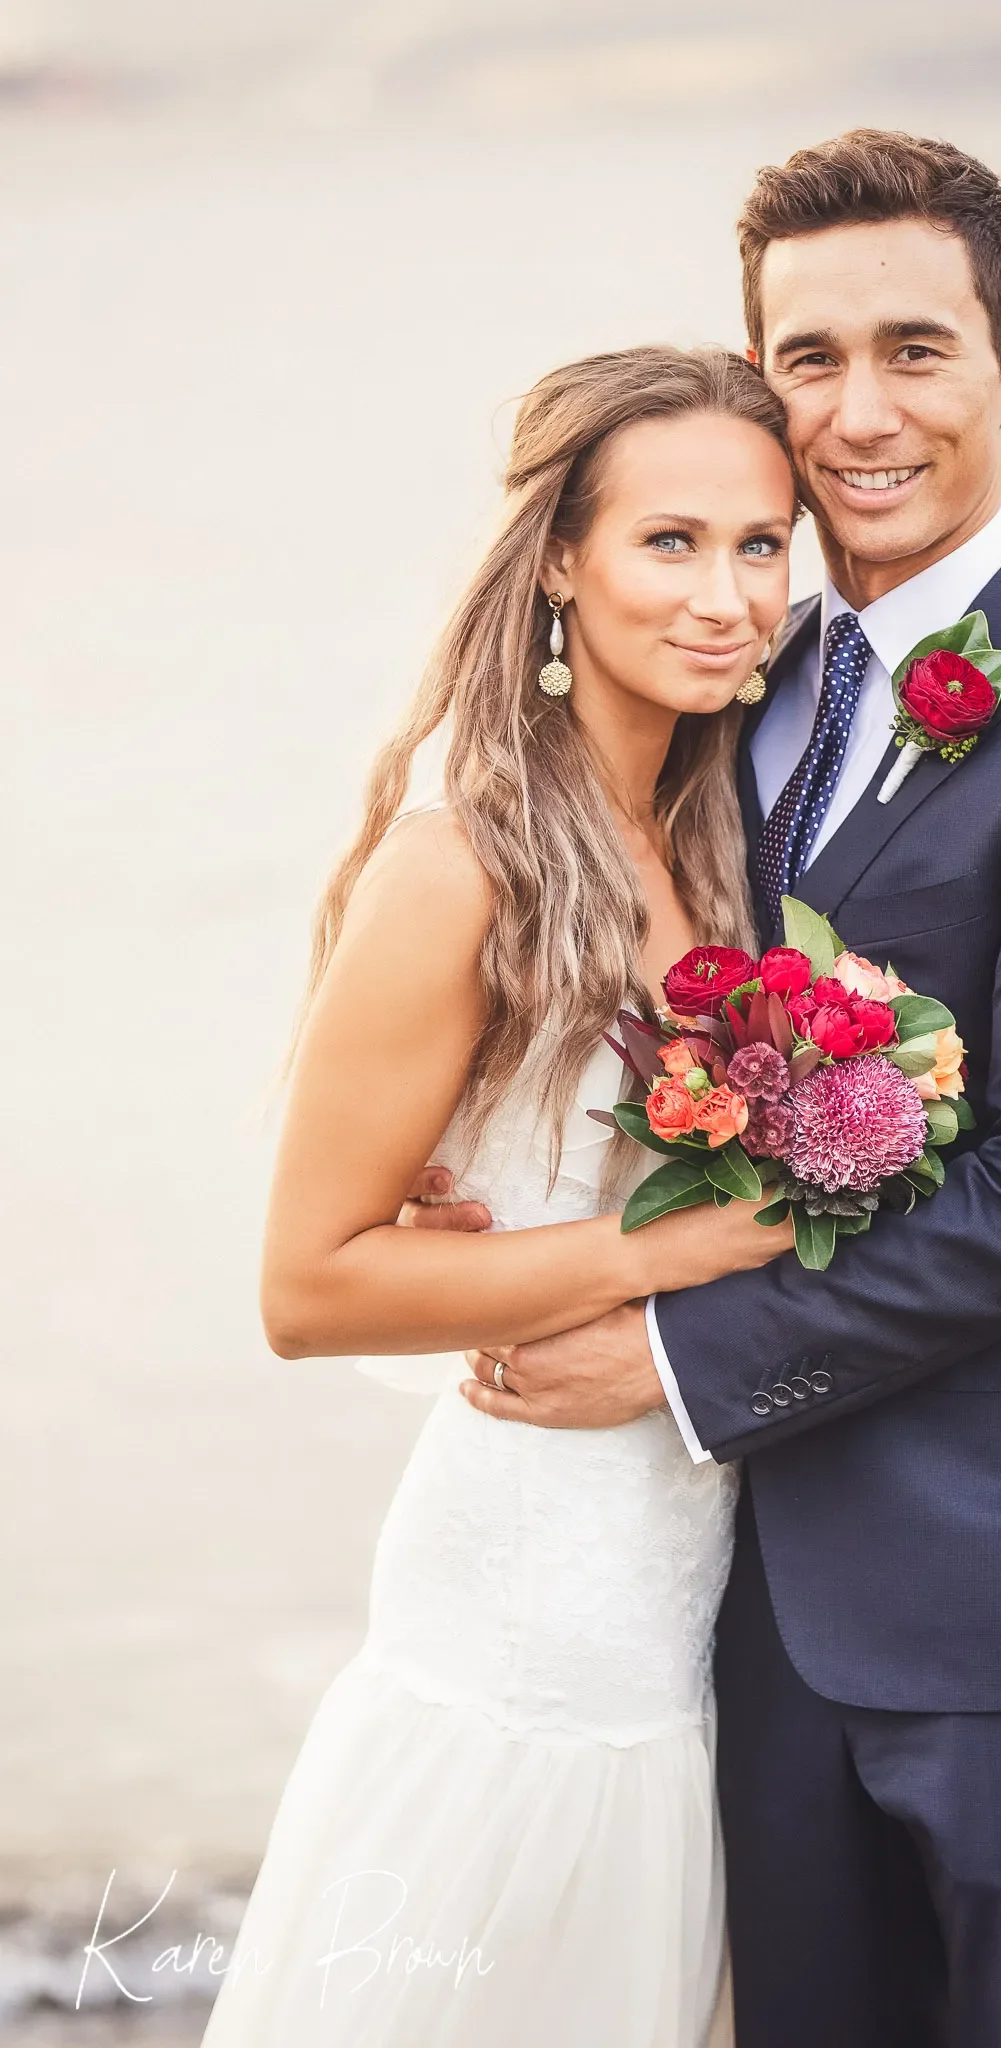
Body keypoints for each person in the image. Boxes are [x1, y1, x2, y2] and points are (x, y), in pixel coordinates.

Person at [461, 132, 1001, 2048]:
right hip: (756, 1597)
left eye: (917, 348)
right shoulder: (740, 683)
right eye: (809, 360)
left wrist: (667, 1361)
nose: (861, 412)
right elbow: (630, 1011)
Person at [200, 347, 801, 2047]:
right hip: (530, 1609)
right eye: (669, 544)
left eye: (762, 548)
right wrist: (666, 1245)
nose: (726, 597)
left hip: (688, 1597)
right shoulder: (457, 859)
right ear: (560, 559)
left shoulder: (725, 839)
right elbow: (309, 1289)